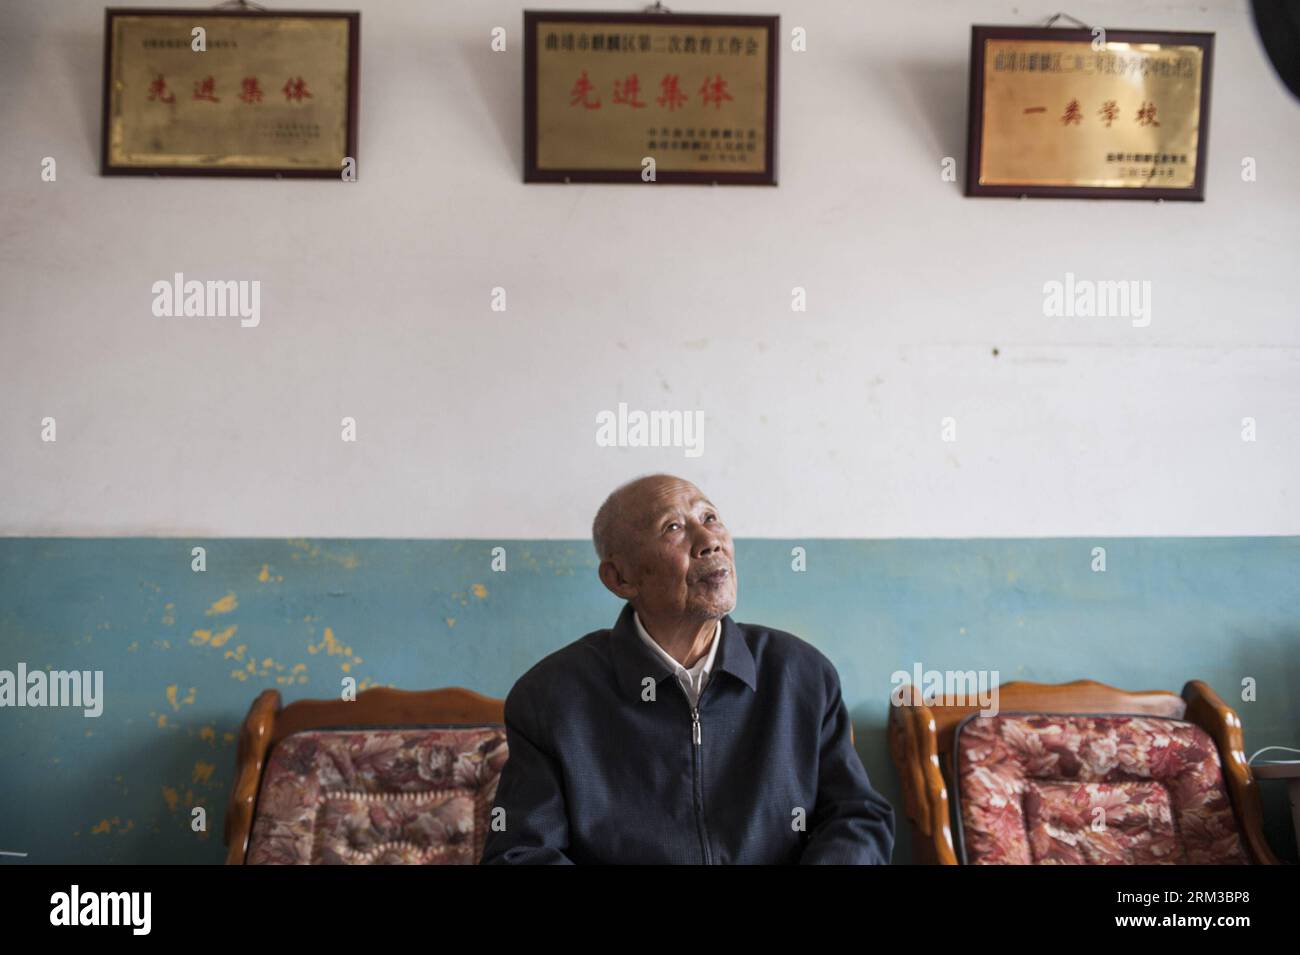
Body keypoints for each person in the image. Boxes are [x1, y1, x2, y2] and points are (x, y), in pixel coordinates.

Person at [480, 473, 895, 864]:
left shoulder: (799, 673)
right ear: (620, 578)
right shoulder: (551, 698)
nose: (710, 541)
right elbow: (522, 852)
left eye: (710, 518)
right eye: (673, 527)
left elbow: (856, 817)